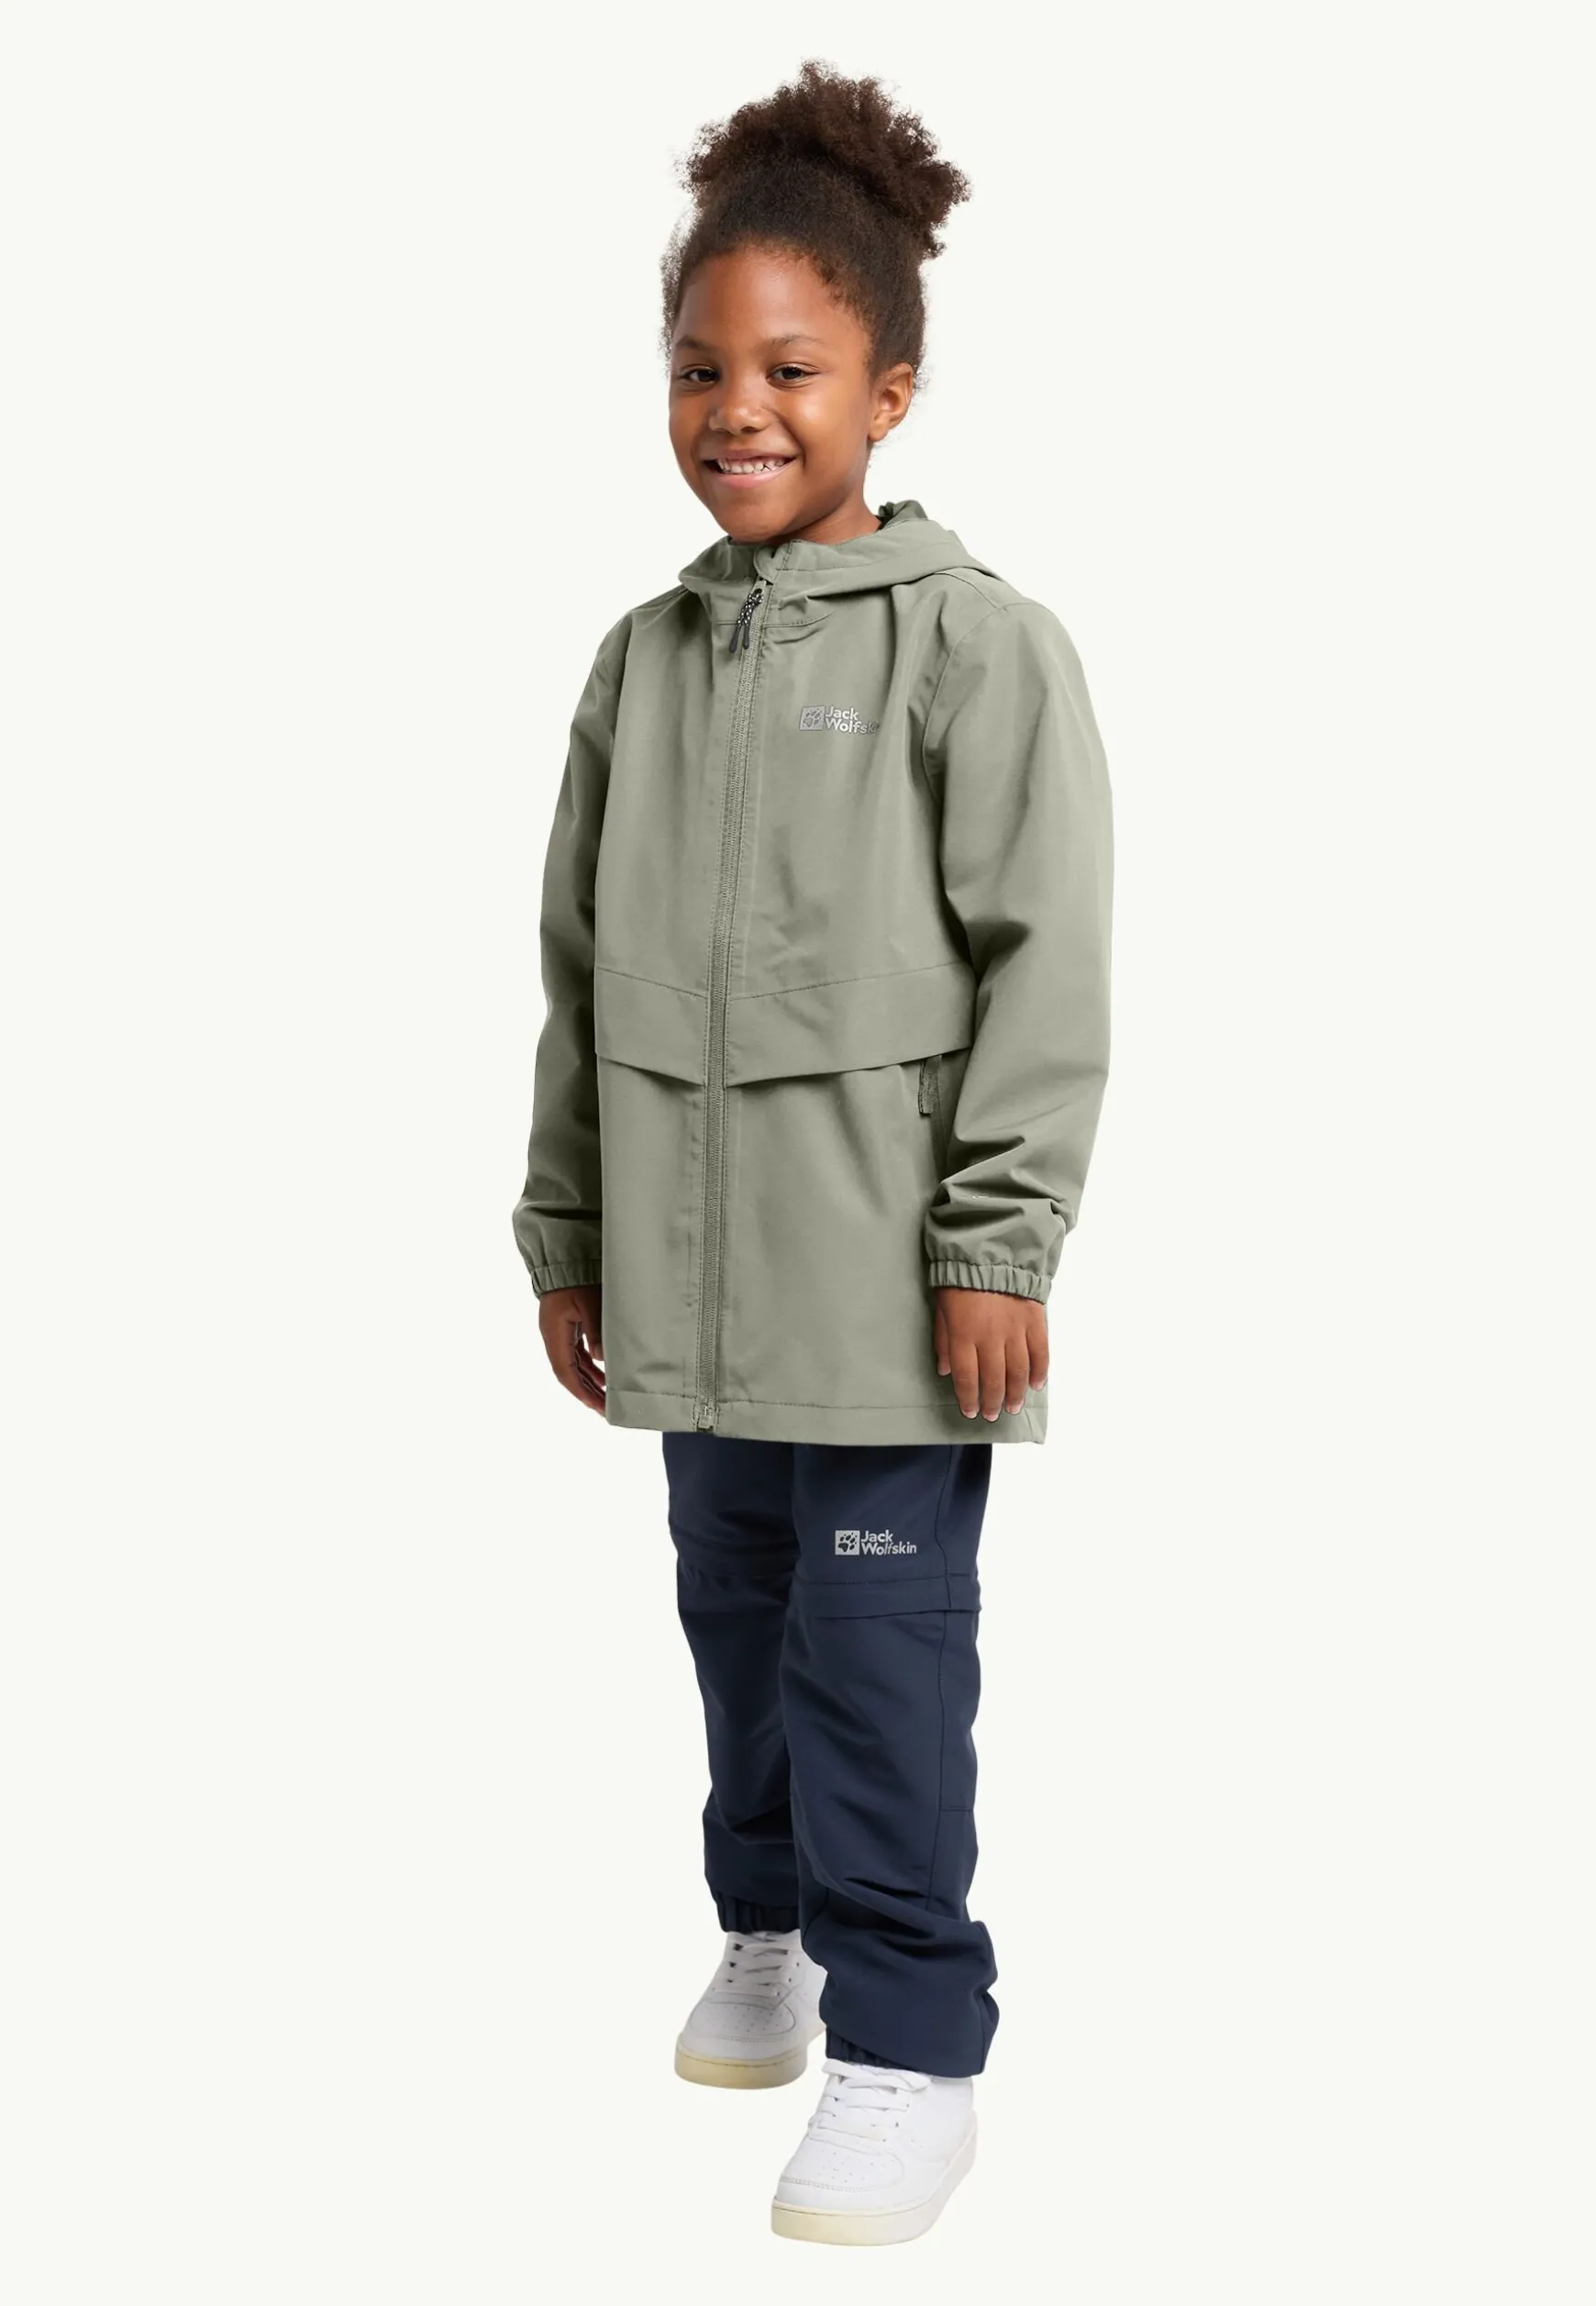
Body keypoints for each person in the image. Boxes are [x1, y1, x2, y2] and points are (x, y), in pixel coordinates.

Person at [512, 60, 1113, 2247]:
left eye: (789, 368)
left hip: (885, 1300)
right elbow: (580, 968)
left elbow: (1047, 965)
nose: (736, 408)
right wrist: (570, 1229)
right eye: (700, 368)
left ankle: (911, 2051)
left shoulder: (978, 649)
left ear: (891, 390)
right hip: (695, 1293)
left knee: (879, 1662)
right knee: (738, 1625)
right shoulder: (642, 664)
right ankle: (763, 1929)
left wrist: (1002, 1244)